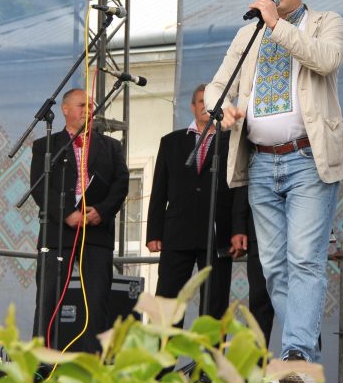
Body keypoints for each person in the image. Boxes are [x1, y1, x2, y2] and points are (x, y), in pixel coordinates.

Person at [205, 0, 343, 383]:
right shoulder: (247, 33)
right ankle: (302, 361)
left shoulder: (326, 23)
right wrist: (221, 108)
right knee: (273, 267)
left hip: (307, 159)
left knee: (304, 259)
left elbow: (326, 60)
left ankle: (295, 358)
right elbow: (218, 85)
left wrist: (275, 24)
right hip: (259, 162)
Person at [30, 88, 129, 353]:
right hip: (57, 232)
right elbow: (40, 187)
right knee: (48, 300)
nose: (87, 110)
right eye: (81, 105)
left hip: (96, 232)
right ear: (65, 109)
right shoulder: (45, 146)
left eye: (90, 106)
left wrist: (102, 211)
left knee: (96, 300)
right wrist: (66, 214)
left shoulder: (111, 146)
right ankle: (42, 363)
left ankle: (91, 362)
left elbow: (121, 184)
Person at [146, 84, 234, 323]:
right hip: (177, 232)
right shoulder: (171, 142)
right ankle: (165, 348)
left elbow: (239, 189)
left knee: (215, 304)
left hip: (217, 233)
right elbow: (159, 190)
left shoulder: (231, 142)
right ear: (193, 106)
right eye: (201, 101)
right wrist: (154, 232)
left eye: (211, 102)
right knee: (168, 300)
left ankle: (210, 349)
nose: (206, 106)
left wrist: (239, 230)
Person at [231, 186, 275, 345]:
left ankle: (304, 360)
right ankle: (254, 360)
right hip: (260, 227)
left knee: (303, 302)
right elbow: (243, 180)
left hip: (299, 231)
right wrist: (239, 227)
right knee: (259, 304)